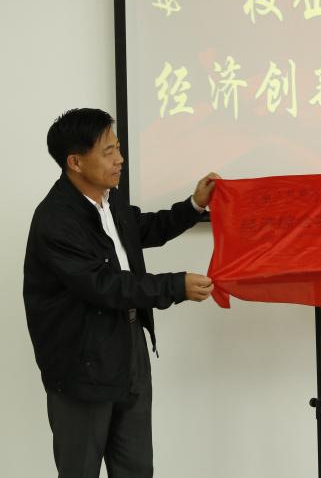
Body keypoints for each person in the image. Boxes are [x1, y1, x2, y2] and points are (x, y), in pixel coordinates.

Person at [23, 108, 218, 478]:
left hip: (129, 349)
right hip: (82, 362)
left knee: (136, 468)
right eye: (108, 151)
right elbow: (105, 285)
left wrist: (195, 205)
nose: (120, 159)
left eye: (118, 148)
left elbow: (145, 228)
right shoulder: (56, 220)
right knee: (80, 469)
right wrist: (175, 286)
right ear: (75, 162)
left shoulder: (109, 202)